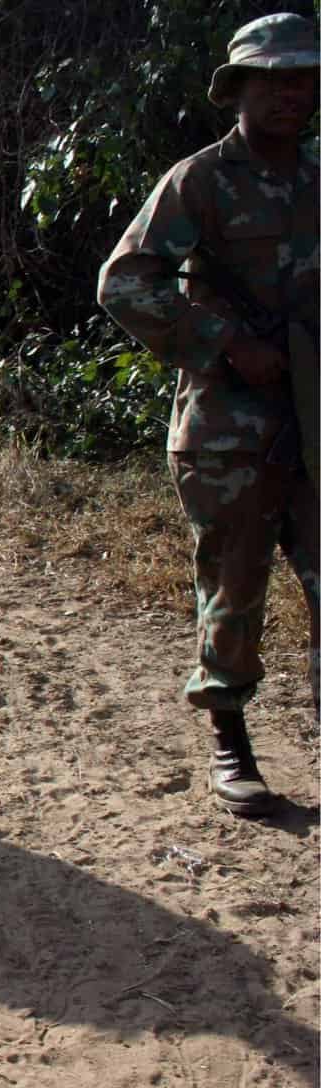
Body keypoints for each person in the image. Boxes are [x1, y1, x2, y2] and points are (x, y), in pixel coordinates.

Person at [98, 12, 319, 817]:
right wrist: (223, 341)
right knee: (235, 588)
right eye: (277, 79)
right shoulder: (198, 182)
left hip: (316, 420)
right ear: (241, 88)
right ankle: (231, 738)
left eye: (306, 79)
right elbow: (124, 284)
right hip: (230, 431)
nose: (294, 94)